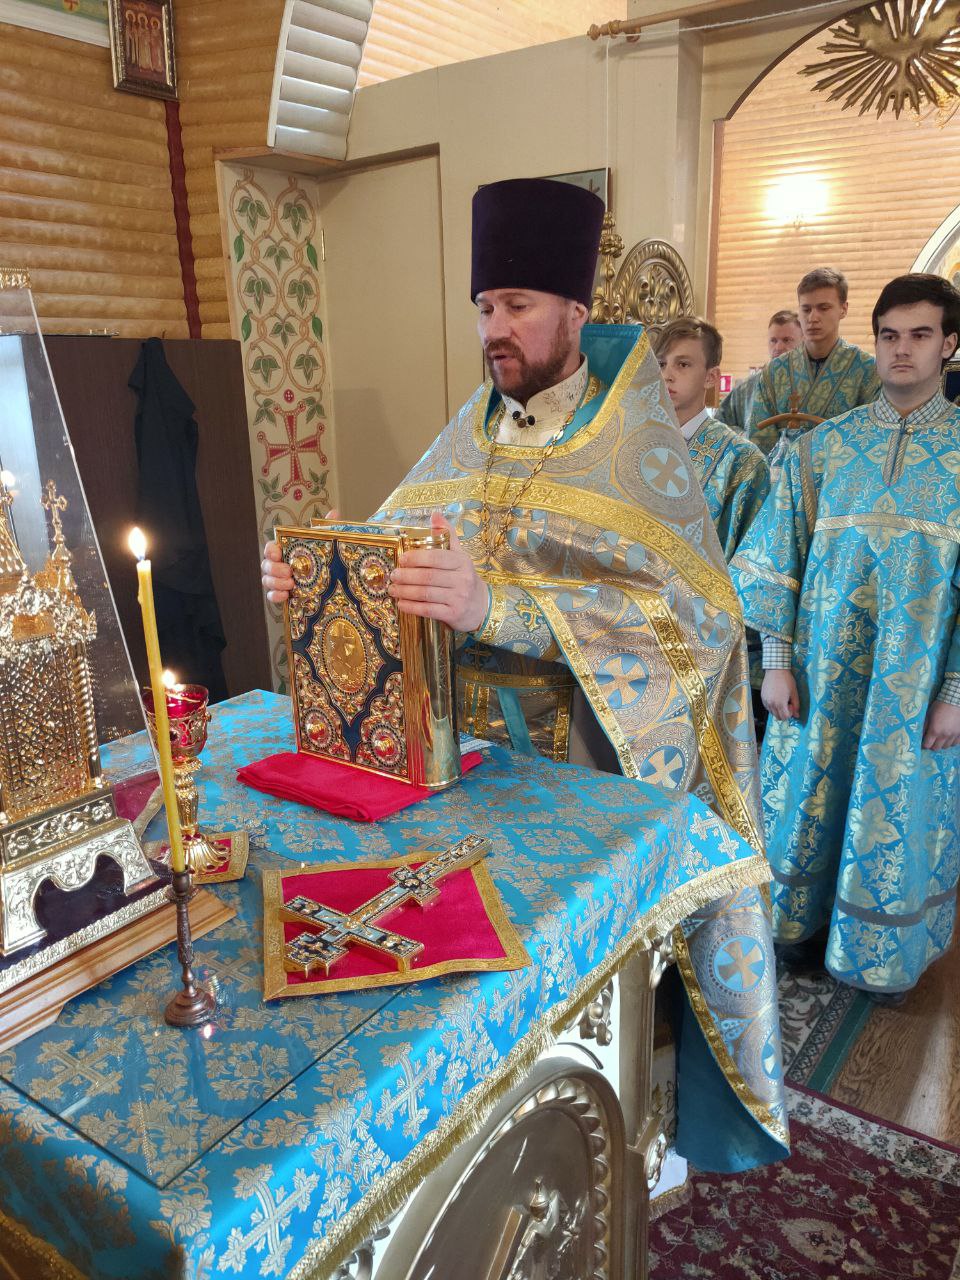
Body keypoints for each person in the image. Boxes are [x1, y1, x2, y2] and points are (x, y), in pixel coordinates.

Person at [262, 176, 787, 1169]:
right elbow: (394, 561)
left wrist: (495, 608)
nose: (493, 329)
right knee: (462, 992)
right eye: (483, 308)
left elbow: (695, 628)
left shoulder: (638, 447)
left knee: (573, 1011)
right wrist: (318, 575)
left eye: (516, 305)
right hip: (457, 772)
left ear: (574, 313)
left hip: (586, 773)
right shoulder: (471, 432)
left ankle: (593, 1155)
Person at [731, 273, 960, 1002]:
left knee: (895, 809)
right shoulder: (825, 447)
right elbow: (777, 557)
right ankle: (793, 928)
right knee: (806, 795)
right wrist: (775, 662)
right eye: (889, 335)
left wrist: (956, 692)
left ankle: (878, 953)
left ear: (949, 344)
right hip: (817, 677)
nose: (901, 350)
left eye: (920, 335)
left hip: (915, 689)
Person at [655, 317, 769, 561]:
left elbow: (750, 559)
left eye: (682, 364)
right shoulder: (636, 443)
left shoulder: (743, 461)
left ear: (711, 377)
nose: (667, 375)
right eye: (661, 364)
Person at [744, 268, 879, 456]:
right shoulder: (774, 372)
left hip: (840, 472)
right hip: (779, 472)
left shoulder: (868, 370)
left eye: (824, 308)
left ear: (843, 309)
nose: (812, 318)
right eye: (806, 309)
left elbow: (870, 440)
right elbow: (759, 443)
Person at [717, 309, 802, 431]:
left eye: (787, 340)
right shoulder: (746, 389)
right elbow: (719, 427)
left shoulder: (814, 385)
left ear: (803, 341)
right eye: (773, 340)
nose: (778, 347)